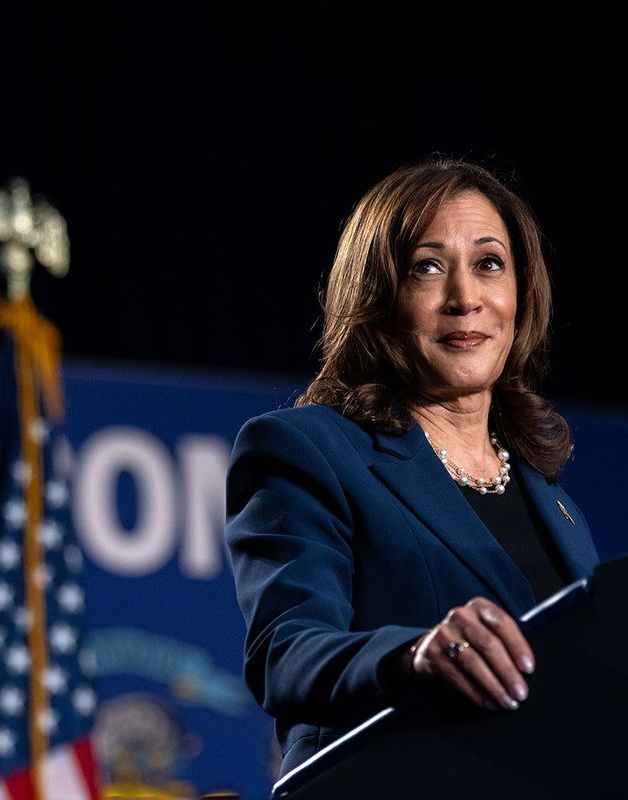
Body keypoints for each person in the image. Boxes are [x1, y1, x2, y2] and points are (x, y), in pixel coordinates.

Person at [224, 156, 601, 780]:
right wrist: (414, 656)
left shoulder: (553, 499)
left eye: (489, 264)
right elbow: (285, 655)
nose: (465, 299)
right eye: (427, 268)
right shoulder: (306, 449)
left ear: (521, 292)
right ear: (378, 299)